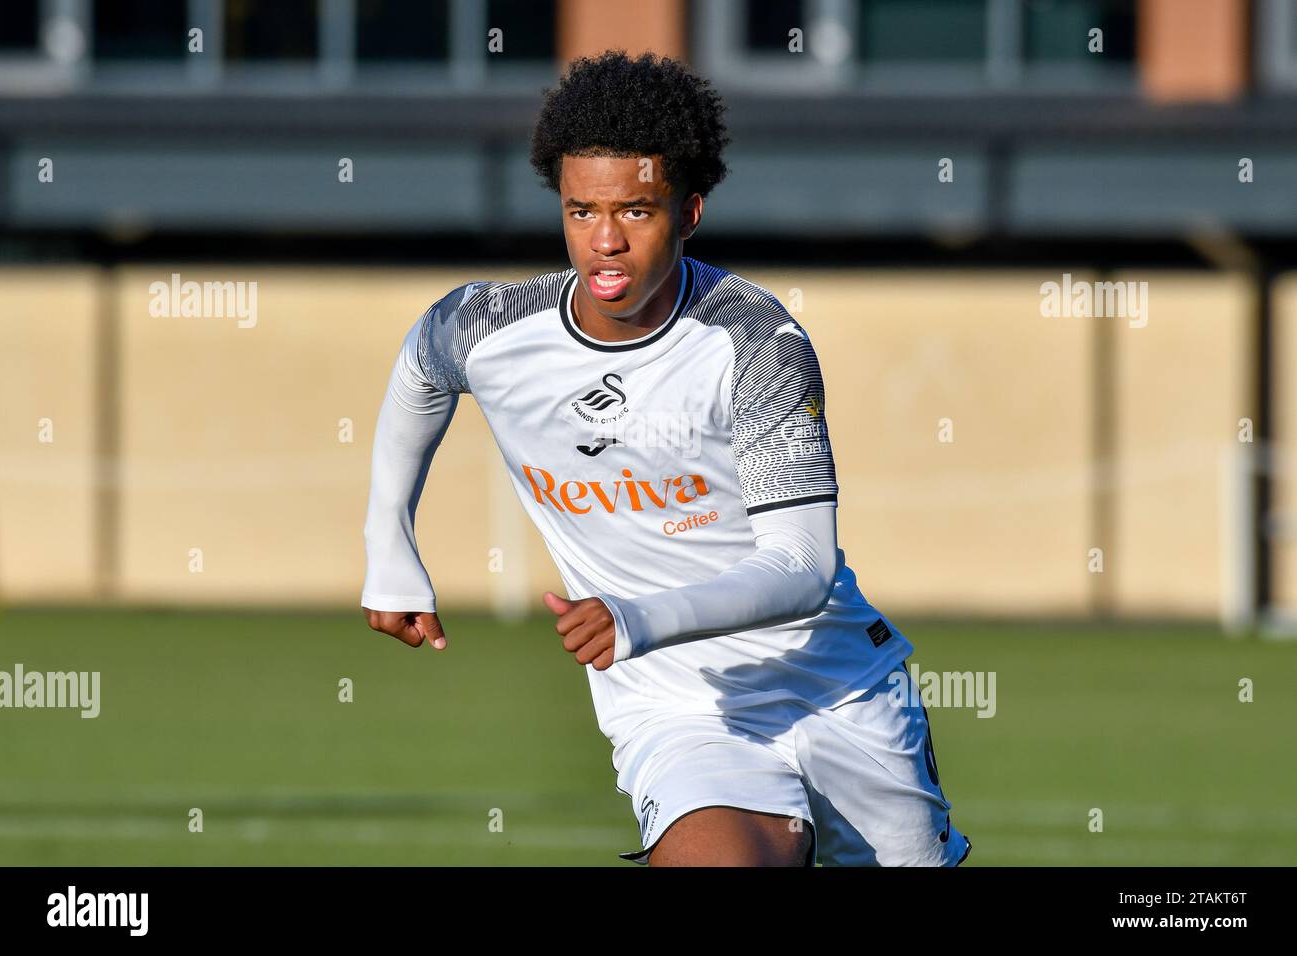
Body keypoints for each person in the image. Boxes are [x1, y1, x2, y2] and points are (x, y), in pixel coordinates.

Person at [362, 49, 969, 867]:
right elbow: (420, 370)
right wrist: (389, 546)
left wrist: (636, 618)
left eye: (636, 212)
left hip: (835, 691)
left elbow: (802, 565)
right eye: (581, 212)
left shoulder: (753, 340)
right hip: (678, 708)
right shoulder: (489, 327)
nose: (604, 242)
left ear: (689, 212)